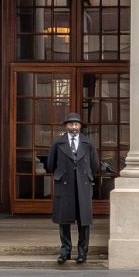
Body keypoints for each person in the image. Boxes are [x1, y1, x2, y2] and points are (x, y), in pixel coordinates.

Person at [46, 112, 99, 265]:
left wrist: (84, 177)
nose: (74, 126)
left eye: (76, 124)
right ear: (66, 126)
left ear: (80, 126)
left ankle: (82, 252)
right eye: (71, 124)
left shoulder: (88, 143)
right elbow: (51, 164)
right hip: (64, 185)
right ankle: (65, 252)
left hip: (82, 185)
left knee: (84, 221)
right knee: (64, 221)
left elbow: (94, 165)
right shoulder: (58, 143)